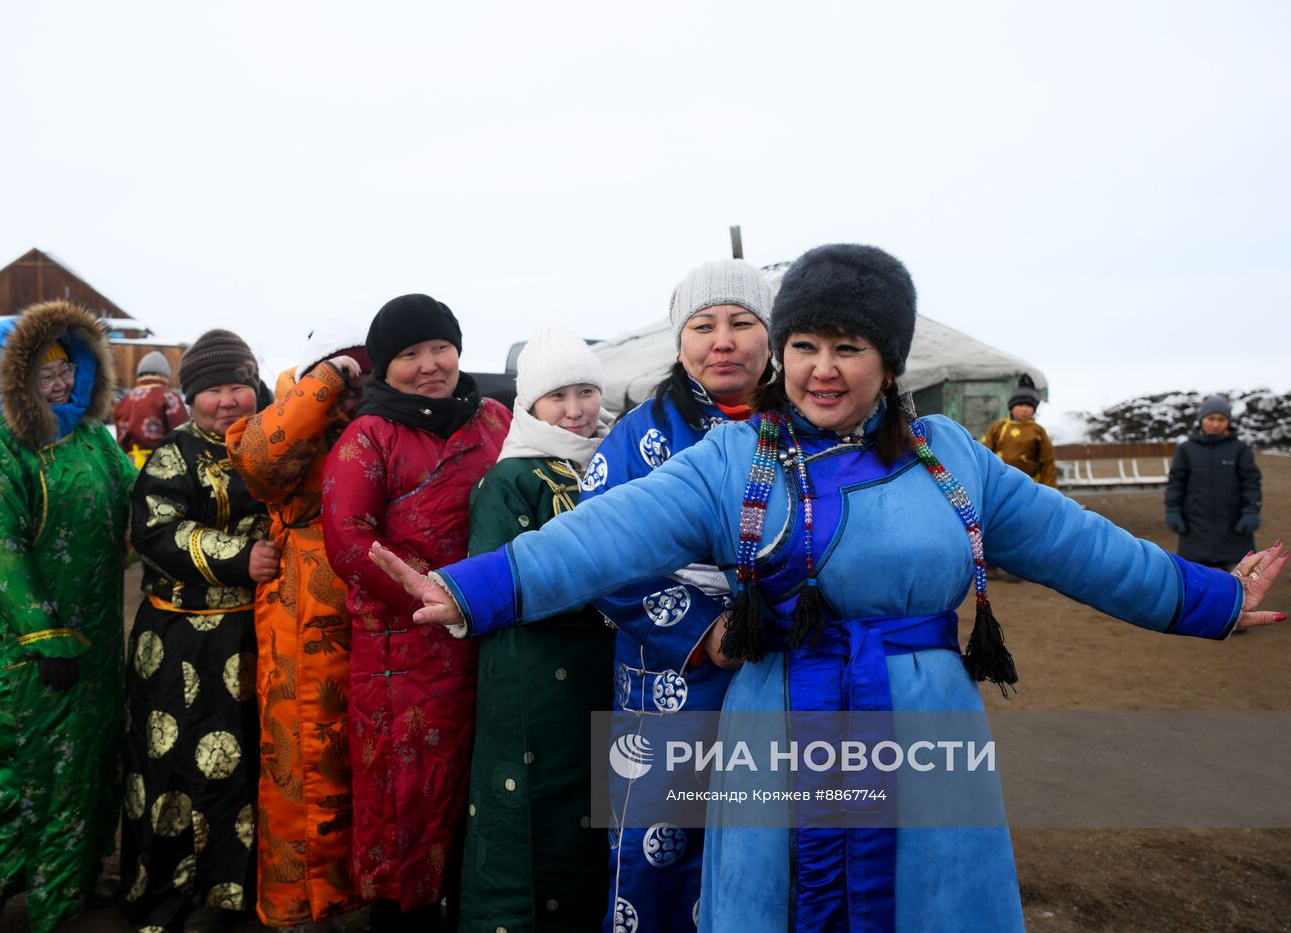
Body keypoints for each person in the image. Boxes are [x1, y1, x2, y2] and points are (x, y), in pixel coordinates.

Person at [370, 244, 1287, 933]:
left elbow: (1077, 545)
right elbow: (609, 533)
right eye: (804, 344)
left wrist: (1208, 599)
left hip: (921, 722)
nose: (820, 368)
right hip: (777, 716)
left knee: (931, 903)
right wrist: (478, 587)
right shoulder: (738, 455)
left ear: (887, 359)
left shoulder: (952, 457)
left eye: (846, 346)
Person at [573, 257, 774, 930]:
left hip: (780, 669)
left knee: (771, 845)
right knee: (656, 852)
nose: (723, 339)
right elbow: (599, 552)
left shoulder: (806, 427)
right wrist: (704, 629)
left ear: (770, 338)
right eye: (704, 324)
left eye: (742, 322)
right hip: (670, 676)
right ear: (680, 339)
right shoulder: (638, 435)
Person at [0, 300, 137, 933]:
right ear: (7, 382)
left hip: (90, 639)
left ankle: (63, 881)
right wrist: (43, 634)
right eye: (44, 377)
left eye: (67, 368)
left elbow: (136, 499)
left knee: (86, 760)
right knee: (13, 767)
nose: (62, 384)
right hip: (18, 651)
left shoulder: (92, 437)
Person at [321, 294, 511, 932]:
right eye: (408, 354)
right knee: (407, 808)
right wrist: (436, 597)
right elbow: (349, 539)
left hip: (491, 635)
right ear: (383, 365)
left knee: (482, 795)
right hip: (403, 652)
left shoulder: (494, 422)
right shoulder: (369, 435)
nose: (429, 365)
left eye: (440, 348)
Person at [459, 326, 614, 932]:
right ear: (529, 405)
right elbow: (501, 575)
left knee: (594, 807)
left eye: (586, 393)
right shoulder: (509, 479)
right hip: (532, 672)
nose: (575, 411)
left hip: (599, 666)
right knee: (531, 807)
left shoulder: (612, 462)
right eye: (558, 398)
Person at [120, 329, 274, 933]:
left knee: (246, 765)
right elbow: (154, 531)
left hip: (251, 634)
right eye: (212, 389)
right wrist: (241, 557)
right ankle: (170, 892)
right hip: (177, 642)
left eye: (238, 384)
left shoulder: (272, 451)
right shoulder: (172, 456)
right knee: (172, 764)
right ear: (189, 397)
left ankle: (233, 892)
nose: (228, 400)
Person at [224, 323, 371, 927]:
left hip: (371, 598)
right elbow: (260, 465)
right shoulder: (288, 406)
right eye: (343, 364)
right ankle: (296, 907)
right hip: (301, 608)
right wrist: (326, 382)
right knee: (301, 751)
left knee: (361, 753)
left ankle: (358, 898)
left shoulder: (385, 412)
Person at [1165, 393, 1263, 571]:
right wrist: (1173, 510)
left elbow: (1251, 483)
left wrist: (1251, 511)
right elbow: (1176, 483)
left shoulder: (1240, 449)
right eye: (1211, 418)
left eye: (1221, 419)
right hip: (1195, 530)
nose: (1216, 424)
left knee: (1243, 583)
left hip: (1235, 530)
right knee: (1197, 586)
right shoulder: (1186, 449)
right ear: (1201, 420)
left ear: (1228, 421)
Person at [113, 350, 189, 467]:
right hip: (162, 466)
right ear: (164, 375)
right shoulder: (168, 397)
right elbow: (183, 435)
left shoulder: (125, 401)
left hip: (129, 466)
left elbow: (119, 442)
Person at [980, 374, 1056, 486]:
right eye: (1020, 405)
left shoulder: (1038, 431)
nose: (1024, 409)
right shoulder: (999, 427)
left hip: (1029, 483)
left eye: (1029, 406)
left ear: (1034, 410)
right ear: (1012, 407)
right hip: (999, 481)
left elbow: (1047, 462)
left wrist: (1049, 489)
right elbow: (984, 451)